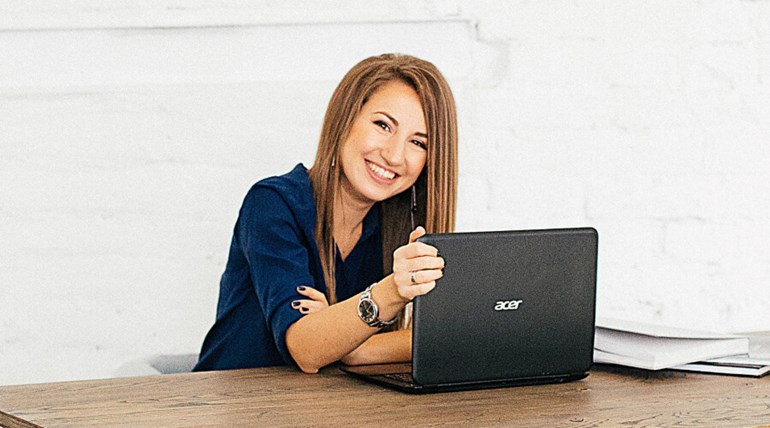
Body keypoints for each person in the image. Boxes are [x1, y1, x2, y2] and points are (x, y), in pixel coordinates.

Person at [193, 53, 458, 374]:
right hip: (233, 405)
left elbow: (443, 340)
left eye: (418, 142)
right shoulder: (272, 203)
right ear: (345, 119)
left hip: (320, 407)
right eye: (382, 125)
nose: (394, 155)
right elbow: (307, 349)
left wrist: (350, 344)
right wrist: (392, 291)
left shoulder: (395, 226)